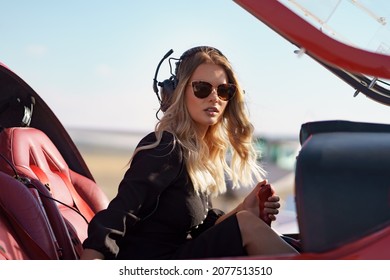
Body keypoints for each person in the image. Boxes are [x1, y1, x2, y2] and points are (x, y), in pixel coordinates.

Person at [81, 46, 298, 260]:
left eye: (223, 91)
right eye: (202, 88)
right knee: (246, 226)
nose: (214, 98)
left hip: (180, 259)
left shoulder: (197, 153)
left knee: (248, 221)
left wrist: (244, 208)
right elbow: (117, 217)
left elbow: (200, 231)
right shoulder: (164, 147)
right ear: (180, 92)